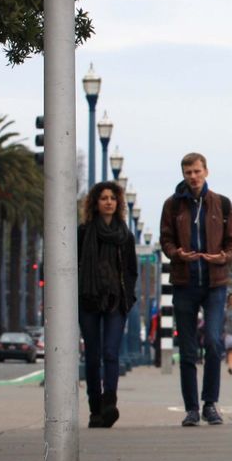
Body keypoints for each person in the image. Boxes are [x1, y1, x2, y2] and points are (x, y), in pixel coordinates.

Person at [160, 152, 232, 426]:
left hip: (215, 283)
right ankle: (191, 408)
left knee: (214, 343)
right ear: (183, 175)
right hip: (184, 282)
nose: (192, 177)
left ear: (206, 171)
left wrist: (223, 258)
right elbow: (166, 240)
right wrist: (177, 253)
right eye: (187, 172)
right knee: (188, 348)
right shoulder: (172, 206)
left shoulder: (222, 204)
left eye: (196, 171)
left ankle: (210, 404)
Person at [77, 181, 138, 429]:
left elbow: (131, 270)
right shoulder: (83, 233)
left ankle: (110, 403)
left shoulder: (125, 236)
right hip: (89, 299)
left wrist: (128, 296)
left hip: (115, 300)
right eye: (103, 198)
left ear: (118, 203)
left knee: (111, 353)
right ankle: (95, 409)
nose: (109, 202)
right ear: (95, 203)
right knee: (93, 356)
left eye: (113, 198)